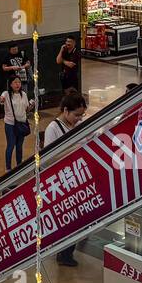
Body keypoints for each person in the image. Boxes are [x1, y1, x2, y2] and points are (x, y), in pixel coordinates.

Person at [44, 89, 87, 265]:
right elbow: (48, 158)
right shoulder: (53, 128)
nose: (79, 118)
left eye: (82, 115)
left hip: (78, 177)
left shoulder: (78, 125)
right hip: (61, 181)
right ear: (66, 111)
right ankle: (64, 253)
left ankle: (68, 250)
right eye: (77, 115)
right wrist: (74, 150)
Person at [0, 76, 30, 172]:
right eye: (15, 82)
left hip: (21, 123)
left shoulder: (23, 94)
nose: (17, 84)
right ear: (11, 84)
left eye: (19, 82)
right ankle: (8, 168)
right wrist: (1, 99)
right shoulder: (7, 94)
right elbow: (1, 99)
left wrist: (31, 105)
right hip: (10, 124)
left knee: (19, 146)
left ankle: (19, 165)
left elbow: (26, 109)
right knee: (11, 145)